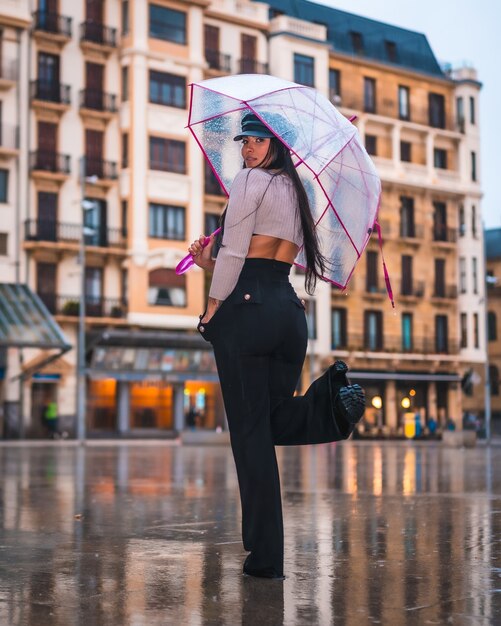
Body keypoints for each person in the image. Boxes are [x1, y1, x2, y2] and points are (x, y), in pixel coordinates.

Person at [188, 112, 365, 579]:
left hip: (246, 315)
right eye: (243, 140)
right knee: (265, 423)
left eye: (256, 140)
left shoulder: (249, 182)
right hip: (288, 314)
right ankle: (331, 405)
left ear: (275, 144)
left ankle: (266, 558)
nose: (246, 148)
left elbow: (236, 253)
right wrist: (211, 258)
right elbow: (252, 254)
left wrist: (209, 312)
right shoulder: (296, 191)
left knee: (249, 438)